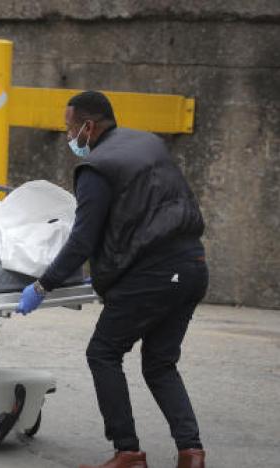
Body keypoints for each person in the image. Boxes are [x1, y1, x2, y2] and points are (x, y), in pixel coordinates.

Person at [15, 91, 208, 468]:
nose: (68, 135)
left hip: (153, 274)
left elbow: (82, 240)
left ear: (88, 126)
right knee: (159, 363)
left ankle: (128, 452)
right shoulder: (147, 142)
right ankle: (191, 452)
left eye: (70, 127)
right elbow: (142, 215)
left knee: (103, 353)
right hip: (192, 264)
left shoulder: (97, 168)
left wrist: (42, 286)